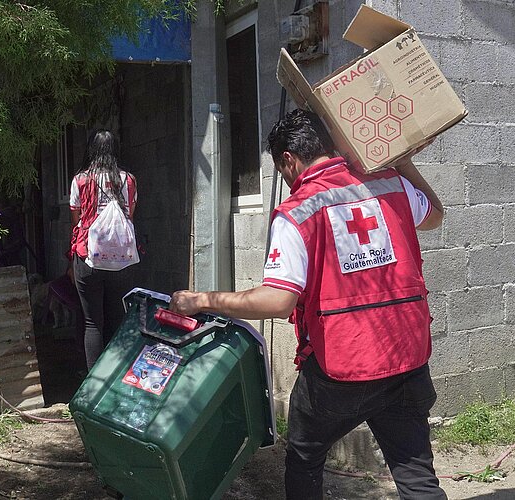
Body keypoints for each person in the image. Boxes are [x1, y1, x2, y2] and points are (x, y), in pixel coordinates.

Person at [170, 109, 447, 499]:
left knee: (304, 455)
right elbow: (435, 215)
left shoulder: (299, 209)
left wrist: (203, 300)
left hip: (343, 369)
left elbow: (279, 300)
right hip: (407, 358)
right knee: (416, 475)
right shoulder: (390, 185)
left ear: (288, 159)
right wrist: (404, 165)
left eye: (282, 170)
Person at [69, 129, 138, 370]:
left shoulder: (81, 180)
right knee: (118, 320)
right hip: (121, 261)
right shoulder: (128, 179)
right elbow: (129, 216)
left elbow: (76, 218)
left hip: (88, 259)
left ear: (91, 150)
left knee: (92, 323)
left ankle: (93, 385)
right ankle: (116, 377)